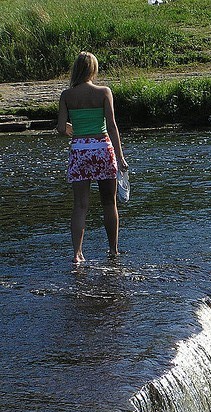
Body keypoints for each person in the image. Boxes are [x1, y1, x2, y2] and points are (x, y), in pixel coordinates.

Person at [57, 52, 128, 263]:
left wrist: (74, 128)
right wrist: (121, 157)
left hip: (80, 150)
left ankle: (77, 254)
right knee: (109, 202)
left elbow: (61, 128)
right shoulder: (104, 92)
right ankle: (113, 250)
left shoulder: (67, 95)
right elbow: (112, 126)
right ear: (93, 70)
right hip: (102, 149)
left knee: (80, 205)